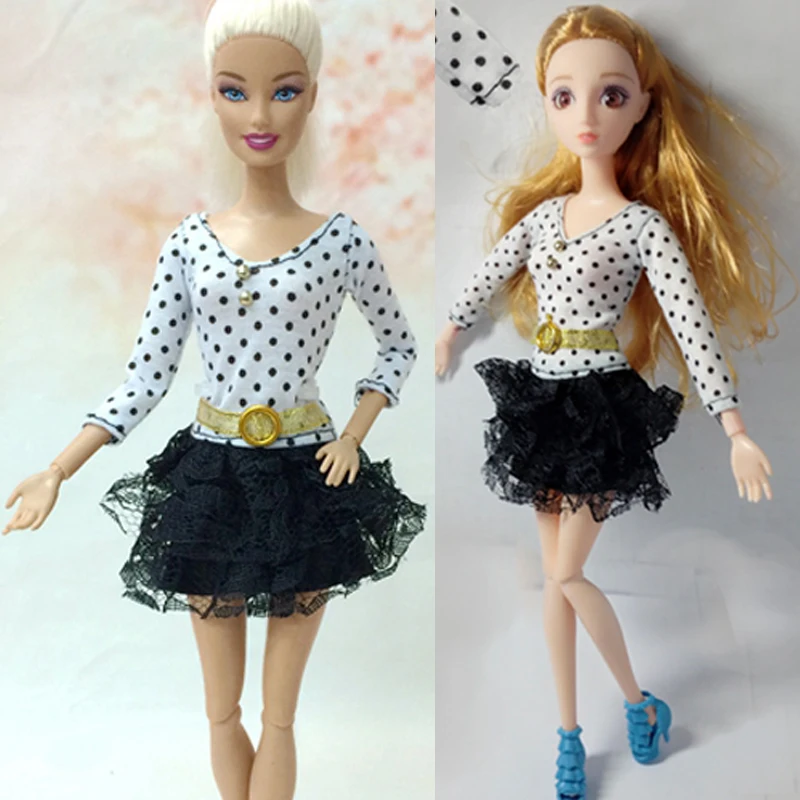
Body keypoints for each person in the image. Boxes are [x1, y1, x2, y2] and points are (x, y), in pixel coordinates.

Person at [4, 1, 425, 798]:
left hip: (308, 478)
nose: (259, 116)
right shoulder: (189, 243)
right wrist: (58, 467)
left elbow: (398, 345)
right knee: (221, 711)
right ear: (212, 97)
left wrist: (355, 433)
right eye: (235, 91)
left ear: (312, 95)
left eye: (284, 91)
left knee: (280, 716)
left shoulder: (341, 240)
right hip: (213, 480)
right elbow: (145, 376)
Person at [435, 5, 785, 799]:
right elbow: (486, 275)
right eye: (565, 96)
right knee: (553, 577)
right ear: (547, 104)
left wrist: (735, 428)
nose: (587, 114)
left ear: (642, 106)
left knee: (565, 574)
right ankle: (568, 734)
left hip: (599, 407)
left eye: (611, 95)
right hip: (538, 401)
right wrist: (449, 331)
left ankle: (638, 702)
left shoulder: (642, 226)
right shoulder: (542, 219)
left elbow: (692, 326)